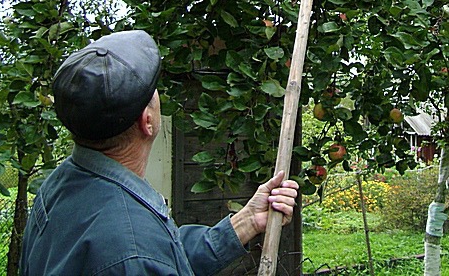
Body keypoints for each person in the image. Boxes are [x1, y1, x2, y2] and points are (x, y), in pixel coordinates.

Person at [19, 30, 298, 276]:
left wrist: (246, 221)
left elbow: (163, 257)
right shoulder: (132, 250)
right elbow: (140, 257)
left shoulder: (60, 185)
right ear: (147, 121)